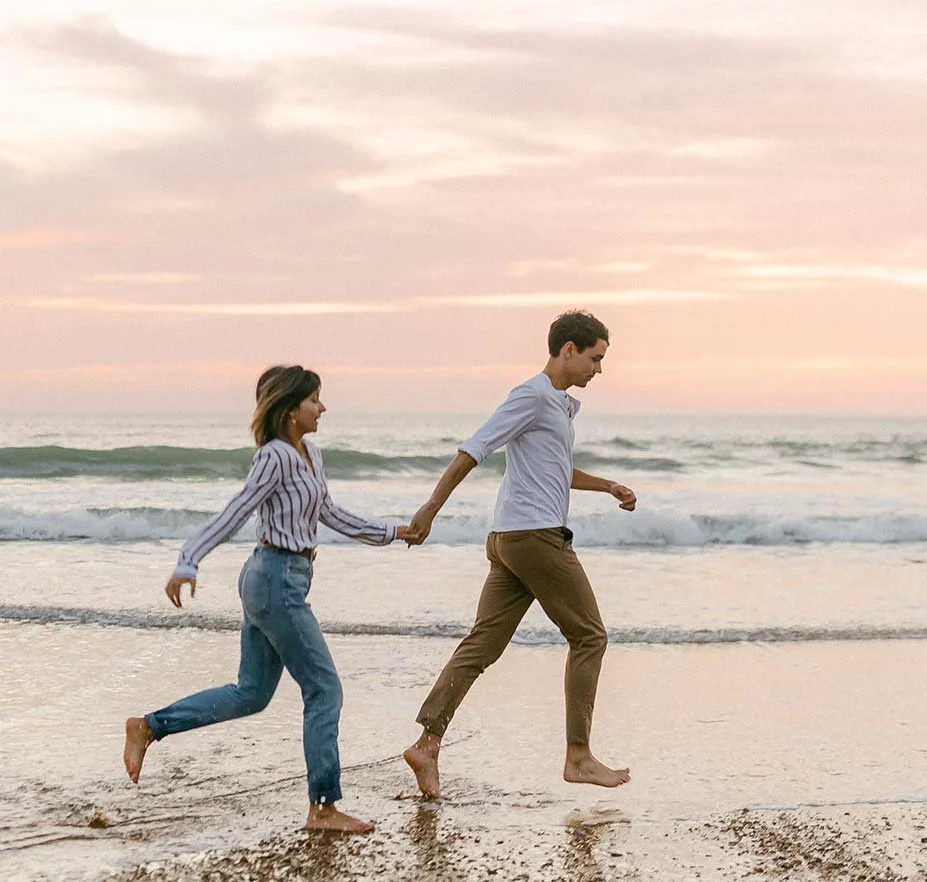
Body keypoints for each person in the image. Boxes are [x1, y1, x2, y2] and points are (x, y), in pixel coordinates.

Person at [124, 365, 423, 834]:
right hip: (275, 578)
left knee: (251, 693)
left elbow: (330, 513)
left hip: (281, 578)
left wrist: (395, 532)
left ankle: (148, 727)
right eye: (314, 400)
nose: (322, 408)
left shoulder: (310, 455)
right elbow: (238, 509)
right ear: (288, 410)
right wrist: (188, 559)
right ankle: (323, 807)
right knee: (324, 690)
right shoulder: (275, 456)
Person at [401, 310, 636, 800]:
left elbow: (558, 470)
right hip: (535, 537)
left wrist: (608, 486)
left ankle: (427, 744)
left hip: (509, 538)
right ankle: (578, 756)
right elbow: (475, 449)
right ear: (568, 350)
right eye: (595, 358)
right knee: (590, 636)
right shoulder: (531, 395)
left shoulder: (555, 405)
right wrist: (430, 508)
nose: (598, 369)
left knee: (482, 645)